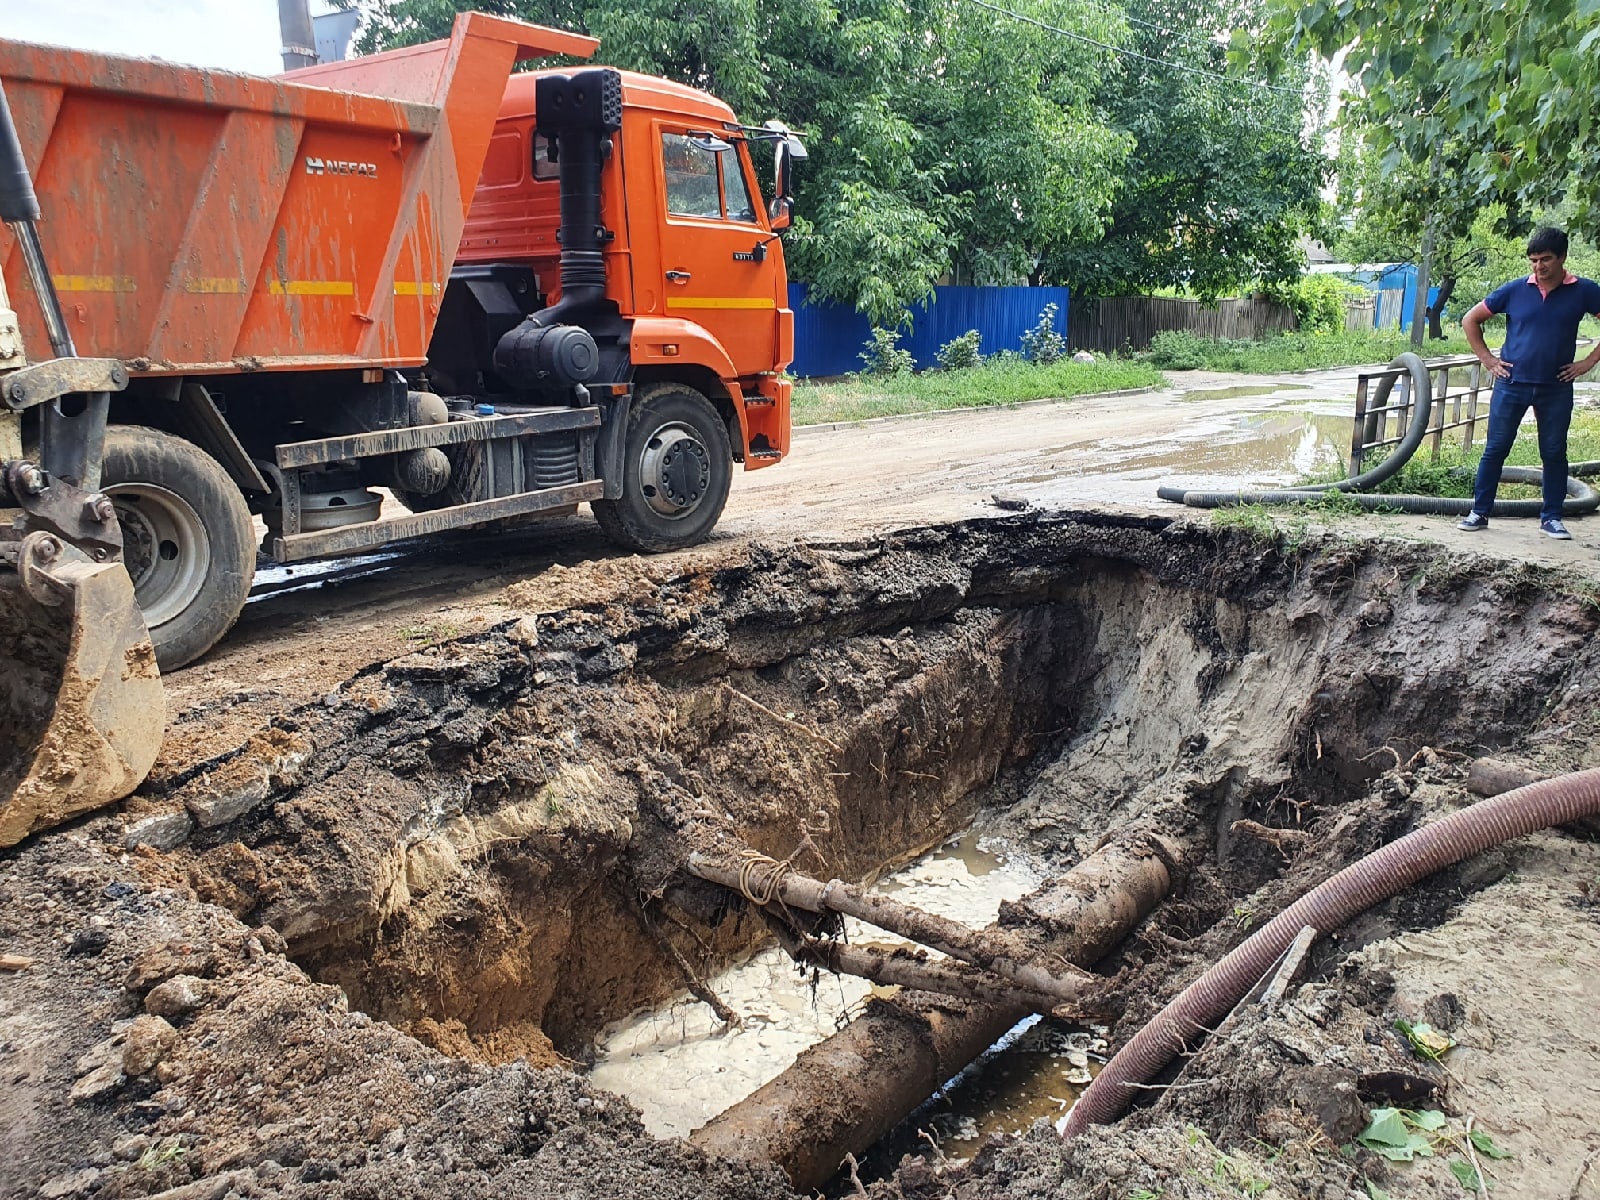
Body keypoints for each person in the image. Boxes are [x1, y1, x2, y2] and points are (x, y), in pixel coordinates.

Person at [1457, 226, 1600, 539]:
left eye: (1546, 259)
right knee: (1495, 449)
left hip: (1556, 386)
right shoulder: (1515, 290)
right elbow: (1470, 319)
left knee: (1553, 451)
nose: (1539, 267)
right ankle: (1479, 512)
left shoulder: (1585, 291)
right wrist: (1488, 360)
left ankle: (1551, 517)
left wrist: (1588, 362)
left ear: (1562, 257)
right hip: (1512, 383)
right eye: (1534, 260)